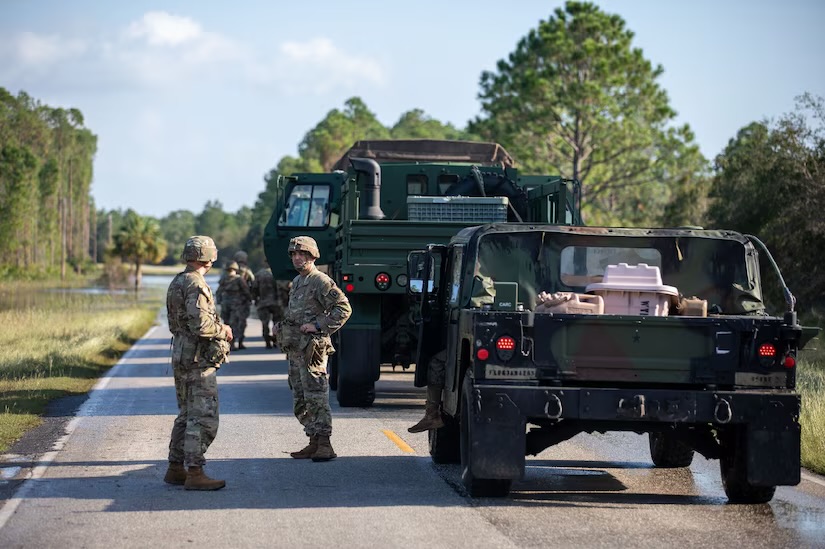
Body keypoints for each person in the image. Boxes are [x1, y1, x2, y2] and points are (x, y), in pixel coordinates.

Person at [273, 236, 351, 462]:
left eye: (303, 254)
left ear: (313, 256)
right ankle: (313, 440)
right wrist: (283, 325)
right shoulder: (298, 281)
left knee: (316, 396)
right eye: (294, 254)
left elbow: (343, 308)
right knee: (300, 398)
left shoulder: (320, 281)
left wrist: (318, 326)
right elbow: (298, 312)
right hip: (295, 349)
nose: (298, 258)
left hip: (312, 350)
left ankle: (325, 443)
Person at [164, 235, 233, 490]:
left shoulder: (178, 281)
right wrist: (223, 329)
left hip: (182, 353)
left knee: (185, 413)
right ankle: (194, 471)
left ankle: (175, 467)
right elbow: (202, 325)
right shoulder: (196, 284)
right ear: (208, 257)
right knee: (202, 415)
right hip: (197, 358)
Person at [251, 260, 290, 349]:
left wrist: (255, 300)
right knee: (277, 322)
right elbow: (283, 287)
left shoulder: (259, 274)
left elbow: (254, 289)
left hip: (263, 303)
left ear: (264, 263)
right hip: (276, 303)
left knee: (265, 323)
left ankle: (267, 342)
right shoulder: (277, 274)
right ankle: (276, 340)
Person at [216, 261, 252, 350]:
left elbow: (218, 291)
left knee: (227, 323)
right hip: (236, 304)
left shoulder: (223, 279)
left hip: (225, 304)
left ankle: (228, 343)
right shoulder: (238, 279)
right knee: (235, 323)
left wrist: (219, 301)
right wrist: (249, 299)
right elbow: (246, 291)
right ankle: (234, 344)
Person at [233, 250, 255, 344]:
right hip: (243, 300)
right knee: (242, 321)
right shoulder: (246, 270)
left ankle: (232, 342)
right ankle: (240, 342)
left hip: (231, 299)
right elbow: (253, 281)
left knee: (232, 321)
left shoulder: (231, 269)